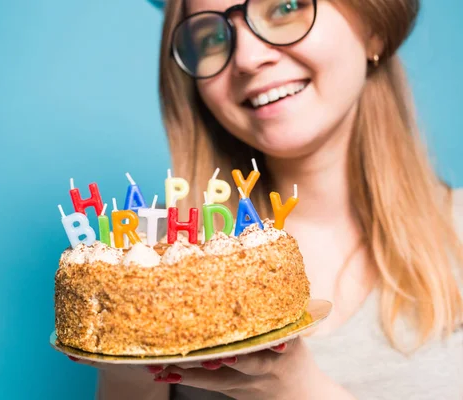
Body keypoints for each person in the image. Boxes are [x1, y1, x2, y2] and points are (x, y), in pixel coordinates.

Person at [71, 0, 463, 398]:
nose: (247, 58)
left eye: (284, 7)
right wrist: (127, 366)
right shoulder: (168, 262)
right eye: (211, 38)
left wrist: (294, 389)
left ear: (373, 28)